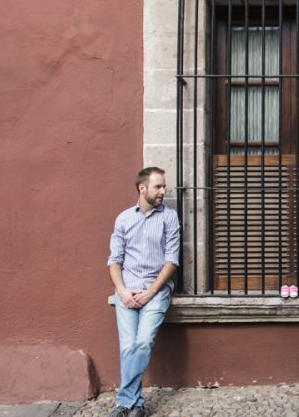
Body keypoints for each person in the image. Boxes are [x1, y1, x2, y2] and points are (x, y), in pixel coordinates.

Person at [106, 167, 181, 417]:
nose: (163, 191)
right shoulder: (123, 219)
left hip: (155, 291)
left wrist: (150, 292)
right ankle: (135, 404)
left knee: (143, 342)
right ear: (142, 188)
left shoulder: (169, 217)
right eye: (158, 186)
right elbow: (114, 260)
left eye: (163, 187)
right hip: (127, 290)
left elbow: (171, 261)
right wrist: (122, 291)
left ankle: (124, 403)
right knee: (128, 347)